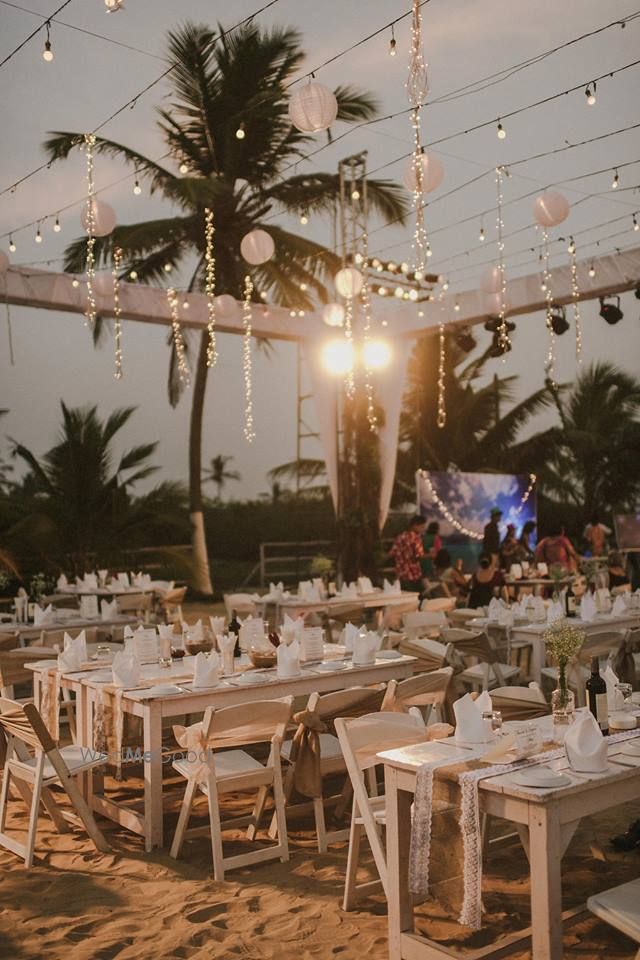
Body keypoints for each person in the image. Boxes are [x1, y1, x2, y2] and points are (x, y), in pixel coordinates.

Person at [390, 515, 426, 593]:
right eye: (422, 527)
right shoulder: (416, 538)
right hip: (413, 574)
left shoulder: (400, 537)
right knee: (417, 599)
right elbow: (417, 556)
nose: (422, 529)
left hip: (401, 574)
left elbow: (393, 554)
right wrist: (430, 555)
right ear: (415, 525)